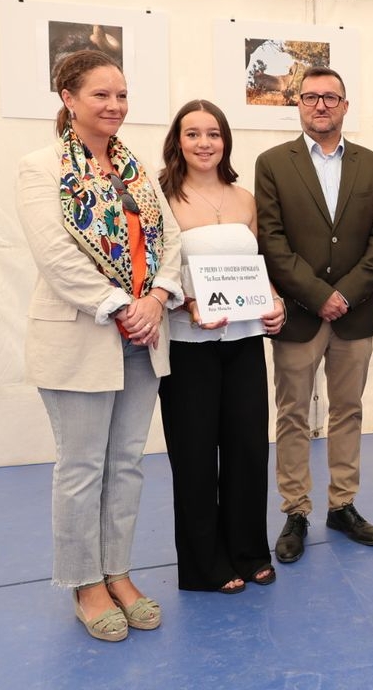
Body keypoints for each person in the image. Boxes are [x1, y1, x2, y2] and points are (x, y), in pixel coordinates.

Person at [16, 49, 183, 641]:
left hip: (143, 336)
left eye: (121, 94)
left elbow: (172, 240)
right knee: (82, 467)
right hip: (81, 337)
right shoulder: (41, 167)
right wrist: (120, 306)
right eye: (100, 95)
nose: (114, 105)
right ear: (68, 98)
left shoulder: (135, 167)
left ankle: (119, 571)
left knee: (127, 465)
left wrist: (157, 299)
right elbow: (55, 255)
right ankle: (85, 583)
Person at [254, 66, 373, 563]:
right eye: (311, 97)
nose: (320, 106)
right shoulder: (272, 163)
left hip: (354, 315)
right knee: (292, 414)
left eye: (330, 97)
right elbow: (271, 241)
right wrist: (318, 295)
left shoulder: (372, 165)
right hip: (298, 313)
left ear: (345, 105)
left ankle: (343, 505)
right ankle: (296, 510)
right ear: (298, 105)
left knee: (348, 410)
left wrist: (346, 295)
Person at [156, 100, 285, 594]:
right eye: (193, 134)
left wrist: (274, 304)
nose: (205, 143)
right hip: (189, 346)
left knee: (248, 451)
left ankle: (250, 551)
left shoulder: (245, 198)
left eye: (213, 133)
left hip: (246, 342)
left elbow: (258, 267)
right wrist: (182, 301)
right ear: (178, 141)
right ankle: (204, 564)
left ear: (226, 141)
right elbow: (153, 271)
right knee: (193, 456)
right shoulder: (160, 196)